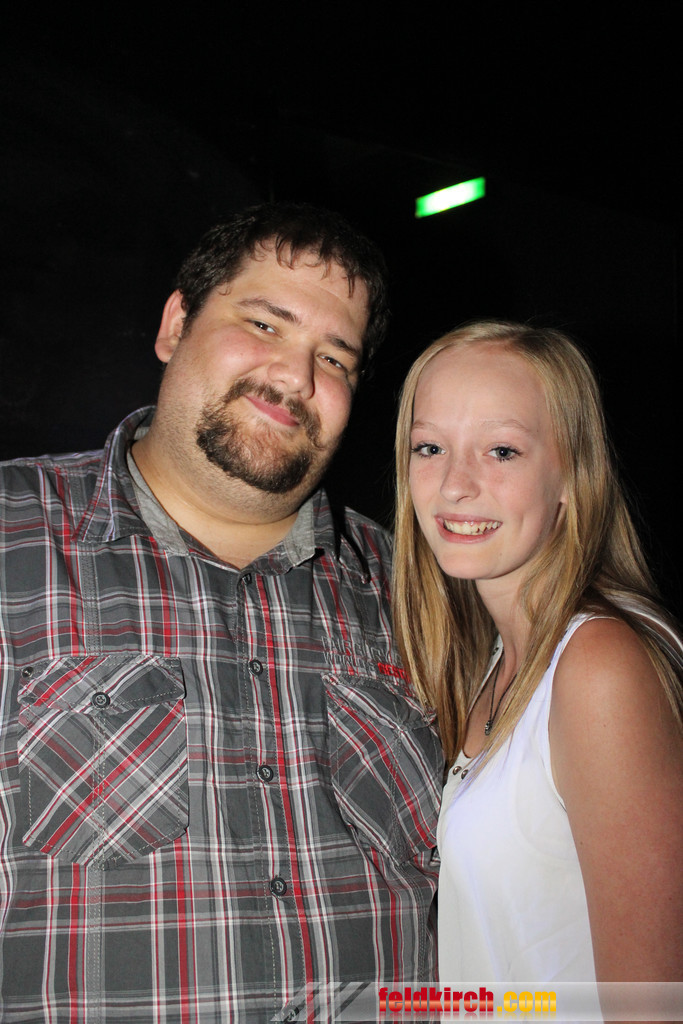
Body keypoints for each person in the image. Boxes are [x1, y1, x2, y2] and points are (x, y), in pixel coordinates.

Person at [0, 203, 442, 1023]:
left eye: (334, 358)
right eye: (264, 324)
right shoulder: (10, 533)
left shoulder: (415, 587)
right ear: (176, 325)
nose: (295, 377)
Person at [393, 320, 683, 990]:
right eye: (430, 446)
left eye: (501, 451)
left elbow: (651, 1003)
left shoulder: (597, 666)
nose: (454, 485)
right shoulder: (495, 662)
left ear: (571, 474)